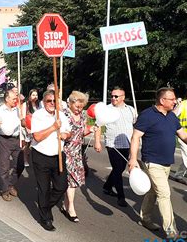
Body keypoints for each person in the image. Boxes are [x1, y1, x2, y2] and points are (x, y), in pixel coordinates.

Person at [128, 87, 187, 239]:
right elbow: (135, 137)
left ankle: (145, 219)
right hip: (152, 162)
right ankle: (171, 231)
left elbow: (183, 135)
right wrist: (133, 158)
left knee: (153, 192)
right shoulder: (147, 115)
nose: (175, 101)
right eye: (172, 99)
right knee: (164, 194)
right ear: (162, 100)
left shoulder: (172, 117)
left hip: (166, 163)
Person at [31, 90, 71, 231]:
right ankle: (45, 218)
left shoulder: (61, 116)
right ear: (43, 102)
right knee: (44, 189)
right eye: (49, 101)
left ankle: (45, 206)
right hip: (41, 156)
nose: (52, 104)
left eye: (55, 101)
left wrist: (65, 134)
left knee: (62, 186)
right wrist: (54, 127)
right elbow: (37, 137)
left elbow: (68, 131)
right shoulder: (38, 116)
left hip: (58, 156)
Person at [94, 87, 136, 207]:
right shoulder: (107, 109)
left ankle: (107, 186)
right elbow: (98, 126)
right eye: (111, 96)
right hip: (113, 145)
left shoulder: (131, 110)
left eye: (116, 96)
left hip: (127, 143)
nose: (113, 98)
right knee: (118, 169)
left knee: (120, 168)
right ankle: (121, 197)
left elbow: (135, 125)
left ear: (123, 97)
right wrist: (97, 142)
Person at [0, 89, 22, 201]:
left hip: (17, 140)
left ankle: (11, 183)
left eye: (16, 98)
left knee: (20, 165)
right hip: (4, 141)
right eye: (13, 99)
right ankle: (5, 190)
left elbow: (23, 123)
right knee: (4, 167)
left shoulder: (18, 109)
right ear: (7, 99)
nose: (15, 100)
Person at [61, 91, 91, 222]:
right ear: (71, 103)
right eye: (77, 106)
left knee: (73, 182)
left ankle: (66, 205)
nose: (80, 109)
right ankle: (71, 207)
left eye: (82, 106)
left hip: (77, 152)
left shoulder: (83, 116)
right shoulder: (64, 114)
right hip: (65, 151)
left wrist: (91, 129)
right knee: (69, 181)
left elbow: (82, 132)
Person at [21, 89, 40, 167]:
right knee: (27, 145)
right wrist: (26, 127)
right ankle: (25, 159)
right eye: (33, 95)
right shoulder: (26, 105)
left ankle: (36, 160)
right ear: (29, 96)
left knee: (37, 144)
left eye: (36, 95)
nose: (35, 97)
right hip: (28, 128)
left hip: (37, 128)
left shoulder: (39, 105)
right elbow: (22, 117)